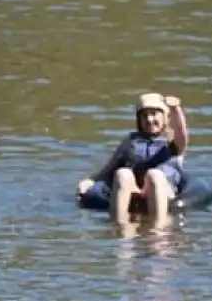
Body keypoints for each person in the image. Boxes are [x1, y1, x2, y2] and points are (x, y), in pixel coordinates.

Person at [77, 93, 188, 224]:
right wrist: (91, 182)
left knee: (154, 175)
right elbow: (110, 168)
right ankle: (121, 230)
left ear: (164, 117)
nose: (149, 119)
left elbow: (181, 133)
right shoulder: (131, 141)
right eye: (144, 115)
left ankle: (158, 232)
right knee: (122, 174)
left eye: (154, 114)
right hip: (135, 189)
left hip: (163, 189)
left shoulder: (172, 142)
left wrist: (176, 110)